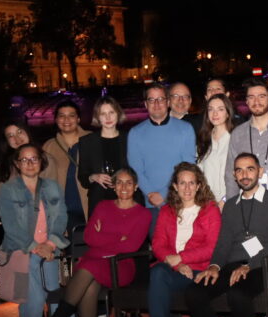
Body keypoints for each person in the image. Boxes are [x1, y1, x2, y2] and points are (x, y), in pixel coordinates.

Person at [34, 168, 151, 317]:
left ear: (136, 186)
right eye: (119, 182)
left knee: (87, 267)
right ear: (113, 186)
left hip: (120, 266)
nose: (124, 187)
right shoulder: (103, 207)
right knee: (89, 288)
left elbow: (129, 246)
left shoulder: (143, 214)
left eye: (129, 182)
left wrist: (104, 239)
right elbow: (89, 237)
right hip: (95, 261)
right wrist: (117, 238)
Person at [186, 153, 268, 317]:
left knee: (237, 294)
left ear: (260, 172)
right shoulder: (230, 205)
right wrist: (214, 266)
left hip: (263, 265)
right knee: (194, 292)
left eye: (250, 169)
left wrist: (250, 264)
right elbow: (223, 243)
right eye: (239, 170)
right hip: (232, 264)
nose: (245, 174)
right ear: (233, 175)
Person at [0, 143, 80, 317]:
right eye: (24, 159)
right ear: (17, 164)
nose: (30, 163)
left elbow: (61, 217)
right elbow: (11, 227)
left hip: (49, 249)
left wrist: (50, 244)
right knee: (31, 298)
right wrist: (36, 247)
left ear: (41, 162)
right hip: (22, 250)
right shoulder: (8, 190)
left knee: (54, 293)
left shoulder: (52, 186)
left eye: (34, 158)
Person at [147, 163, 221, 317]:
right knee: (158, 274)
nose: (187, 188)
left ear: (199, 186)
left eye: (191, 183)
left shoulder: (209, 210)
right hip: (174, 270)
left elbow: (212, 248)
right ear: (175, 186)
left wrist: (181, 258)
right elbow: (158, 245)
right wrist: (177, 265)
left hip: (199, 270)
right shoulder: (166, 211)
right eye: (182, 183)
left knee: (159, 276)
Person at [127, 82, 197, 225]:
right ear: (146, 104)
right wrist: (151, 194)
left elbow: (187, 166)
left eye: (161, 99)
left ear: (168, 102)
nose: (157, 103)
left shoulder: (185, 129)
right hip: (150, 202)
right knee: (157, 245)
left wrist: (164, 194)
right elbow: (136, 169)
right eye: (151, 100)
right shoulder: (135, 133)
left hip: (180, 200)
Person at [79, 96, 133, 217]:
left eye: (111, 113)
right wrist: (93, 177)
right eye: (103, 114)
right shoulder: (87, 142)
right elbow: (82, 177)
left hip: (126, 198)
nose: (108, 117)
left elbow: (137, 170)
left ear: (118, 114)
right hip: (99, 200)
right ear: (97, 117)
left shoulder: (130, 138)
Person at [43, 99, 90, 230]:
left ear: (78, 119)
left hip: (91, 205)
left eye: (71, 115)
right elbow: (43, 181)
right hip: (64, 211)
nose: (66, 120)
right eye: (61, 116)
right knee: (71, 248)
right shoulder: (49, 146)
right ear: (56, 120)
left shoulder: (92, 139)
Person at [196, 93, 234, 206]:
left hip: (230, 201)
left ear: (228, 113)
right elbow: (200, 173)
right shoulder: (203, 140)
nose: (215, 113)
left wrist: (224, 200)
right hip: (207, 202)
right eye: (211, 109)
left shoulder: (235, 139)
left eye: (220, 109)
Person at [0, 122, 30, 197]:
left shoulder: (45, 158)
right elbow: (0, 196)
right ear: (7, 141)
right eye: (10, 136)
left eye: (19, 132)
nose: (17, 138)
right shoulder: (3, 166)